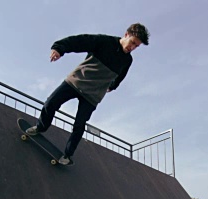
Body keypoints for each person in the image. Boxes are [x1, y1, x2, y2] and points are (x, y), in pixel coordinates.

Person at [26, 23, 150, 165]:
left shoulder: (127, 60)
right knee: (51, 103)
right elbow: (80, 41)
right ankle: (40, 127)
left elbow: (121, 77)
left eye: (136, 47)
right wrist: (59, 48)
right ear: (126, 34)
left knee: (79, 124)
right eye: (132, 43)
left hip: (92, 95)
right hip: (76, 81)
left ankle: (67, 155)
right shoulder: (104, 42)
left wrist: (112, 86)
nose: (132, 48)